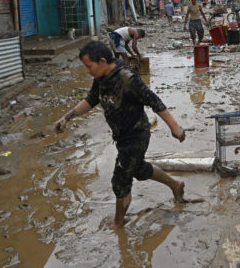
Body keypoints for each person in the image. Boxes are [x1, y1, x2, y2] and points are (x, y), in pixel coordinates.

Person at [54, 41, 186, 229]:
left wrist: (175, 127)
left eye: (89, 66)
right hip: (122, 135)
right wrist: (66, 118)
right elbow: (91, 99)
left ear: (101, 61)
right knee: (138, 169)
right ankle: (175, 185)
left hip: (135, 135)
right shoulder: (101, 77)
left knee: (120, 180)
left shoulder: (127, 78)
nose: (87, 71)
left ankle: (118, 223)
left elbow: (154, 101)